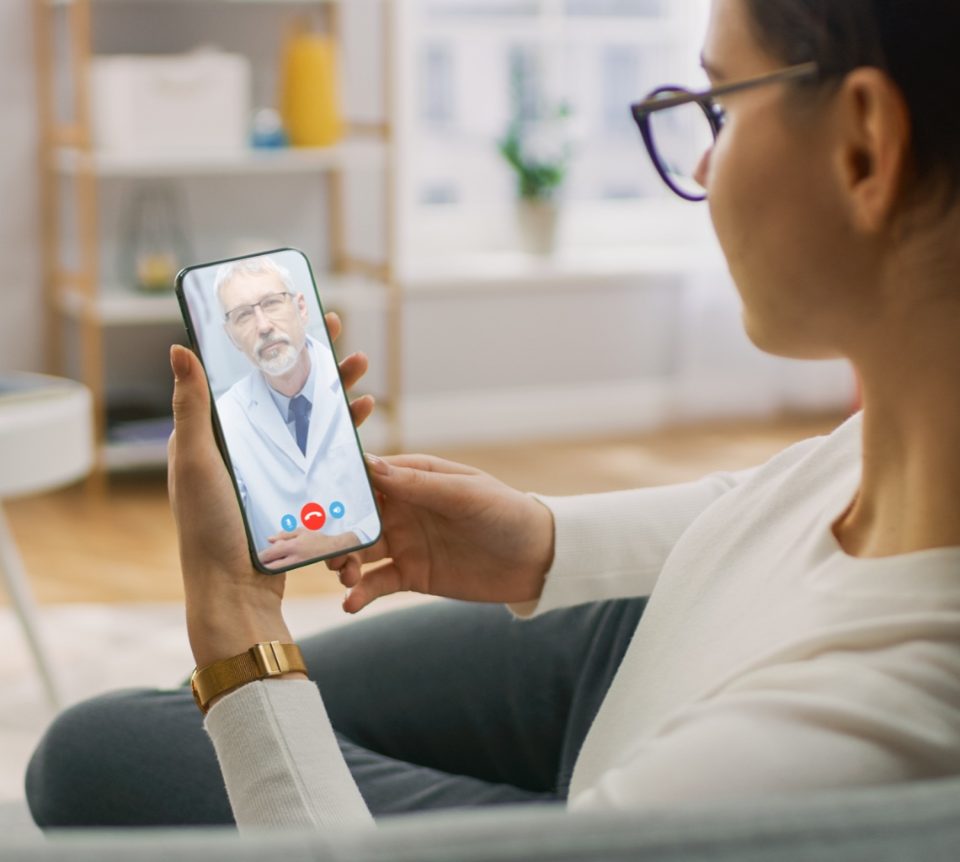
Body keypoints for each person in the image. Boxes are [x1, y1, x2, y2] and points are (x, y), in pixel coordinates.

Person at [26, 0, 960, 831]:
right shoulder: (912, 442)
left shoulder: (852, 729)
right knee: (116, 740)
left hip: (659, 749)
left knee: (95, 754)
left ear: (864, 146)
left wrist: (234, 618)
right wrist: (541, 541)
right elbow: (782, 490)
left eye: (719, 104)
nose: (707, 163)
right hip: (660, 636)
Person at [211, 255, 379, 568]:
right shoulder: (225, 417)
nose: (263, 326)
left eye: (272, 303)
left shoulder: (353, 381)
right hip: (277, 575)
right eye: (243, 316)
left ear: (301, 308)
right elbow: (232, 529)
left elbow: (384, 502)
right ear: (231, 336)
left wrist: (345, 541)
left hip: (367, 562)